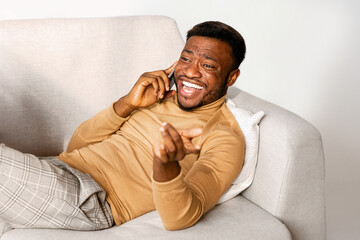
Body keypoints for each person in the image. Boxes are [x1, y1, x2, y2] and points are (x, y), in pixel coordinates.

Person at [0, 21, 246, 231]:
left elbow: (179, 218)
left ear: (231, 77)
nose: (190, 72)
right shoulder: (156, 97)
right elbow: (77, 145)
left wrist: (165, 165)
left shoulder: (222, 136)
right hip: (54, 169)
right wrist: (127, 104)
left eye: (208, 66)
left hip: (89, 199)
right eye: (186, 58)